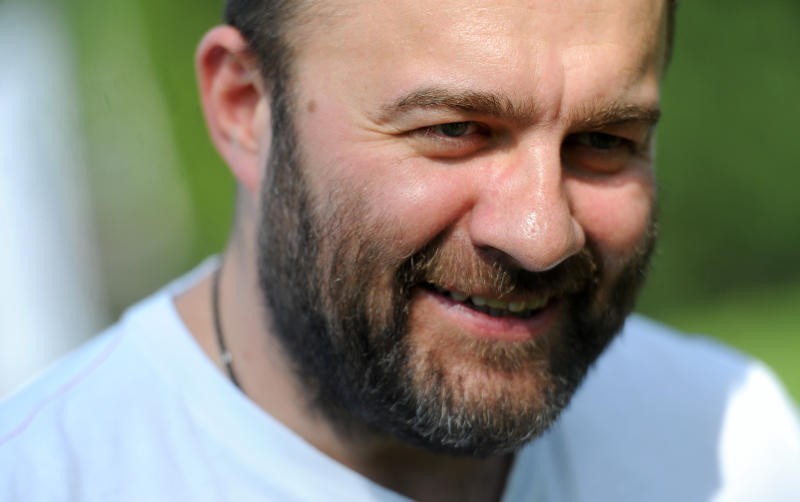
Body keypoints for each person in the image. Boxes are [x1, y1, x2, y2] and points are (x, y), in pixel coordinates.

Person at [2, 0, 799, 500]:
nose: (541, 235)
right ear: (244, 107)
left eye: (604, 141)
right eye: (455, 129)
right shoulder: (43, 477)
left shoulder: (733, 449)